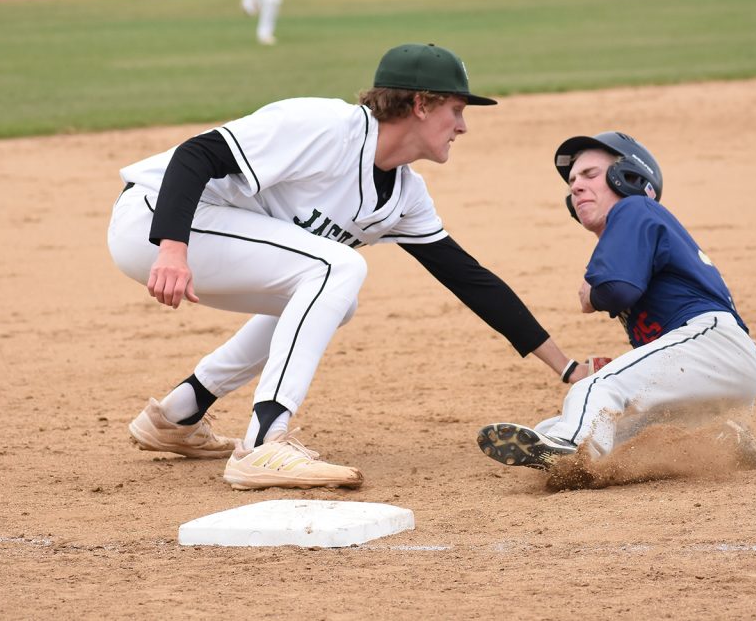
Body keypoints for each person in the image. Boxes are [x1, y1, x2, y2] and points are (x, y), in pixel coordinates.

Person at [107, 43, 590, 490]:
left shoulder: (405, 195)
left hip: (205, 238)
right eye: (456, 110)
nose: (462, 126)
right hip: (159, 218)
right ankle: (263, 441)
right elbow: (198, 153)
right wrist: (172, 246)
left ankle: (179, 413)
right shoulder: (325, 126)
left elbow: (469, 279)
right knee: (334, 268)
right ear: (420, 104)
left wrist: (567, 367)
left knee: (332, 294)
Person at [477, 131, 756, 471]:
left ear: (627, 177)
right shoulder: (638, 224)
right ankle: (722, 437)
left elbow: (618, 290)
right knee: (556, 428)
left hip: (711, 343)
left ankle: (574, 453)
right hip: (712, 369)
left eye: (589, 174)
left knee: (594, 389)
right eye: (572, 181)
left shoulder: (634, 208)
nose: (575, 186)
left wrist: (592, 293)